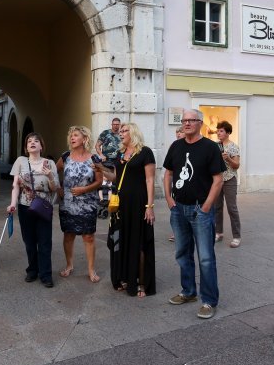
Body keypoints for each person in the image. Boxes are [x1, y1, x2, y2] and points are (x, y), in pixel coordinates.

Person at [163, 109, 225, 319]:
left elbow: (218, 179)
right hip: (178, 208)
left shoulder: (210, 147)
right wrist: (170, 200)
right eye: (184, 120)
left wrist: (207, 206)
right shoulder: (176, 146)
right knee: (182, 253)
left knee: (206, 258)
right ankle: (188, 291)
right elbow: (168, 173)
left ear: (200, 123)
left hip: (201, 210)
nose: (187, 123)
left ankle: (208, 301)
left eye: (191, 120)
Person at [100, 123, 156, 297]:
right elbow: (115, 177)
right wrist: (101, 169)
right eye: (121, 131)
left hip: (139, 203)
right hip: (121, 204)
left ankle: (141, 283)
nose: (121, 133)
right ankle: (124, 277)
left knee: (139, 242)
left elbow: (150, 180)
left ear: (133, 133)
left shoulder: (145, 152)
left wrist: (149, 206)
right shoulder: (120, 153)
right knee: (122, 240)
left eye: (125, 131)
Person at [8, 132, 59, 287]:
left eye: (36, 141)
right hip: (25, 206)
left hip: (43, 206)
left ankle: (46, 274)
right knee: (29, 241)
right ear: (26, 147)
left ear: (41, 146)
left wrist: (50, 175)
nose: (32, 143)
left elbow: (54, 187)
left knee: (44, 241)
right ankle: (32, 270)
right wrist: (12, 204)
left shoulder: (49, 163)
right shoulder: (20, 162)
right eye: (29, 141)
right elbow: (16, 185)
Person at [57, 126, 103, 283]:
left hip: (87, 203)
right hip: (68, 203)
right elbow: (53, 172)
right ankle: (69, 265)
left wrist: (85, 189)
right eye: (71, 135)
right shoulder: (65, 157)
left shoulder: (94, 159)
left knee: (88, 236)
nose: (72, 138)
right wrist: (58, 189)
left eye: (76, 135)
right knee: (68, 234)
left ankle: (91, 269)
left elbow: (99, 181)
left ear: (84, 139)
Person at [214, 121, 242, 248]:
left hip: (230, 179)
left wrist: (228, 158)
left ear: (228, 132)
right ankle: (218, 232)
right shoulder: (214, 146)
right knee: (217, 207)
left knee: (232, 208)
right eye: (218, 130)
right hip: (217, 179)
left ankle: (236, 236)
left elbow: (236, 165)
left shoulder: (233, 146)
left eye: (221, 131)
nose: (218, 133)